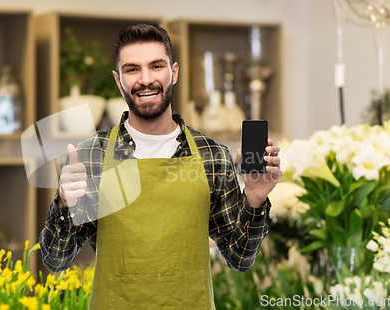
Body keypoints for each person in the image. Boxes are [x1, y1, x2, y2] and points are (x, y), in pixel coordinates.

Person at [39, 23, 281, 309]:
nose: (145, 79)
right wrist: (64, 204)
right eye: (132, 69)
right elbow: (56, 259)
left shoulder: (212, 155)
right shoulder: (90, 155)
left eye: (156, 66)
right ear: (119, 81)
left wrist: (254, 199)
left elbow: (240, 258)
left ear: (173, 72)